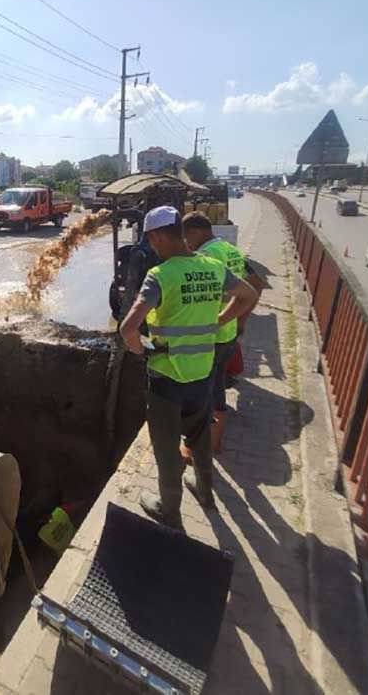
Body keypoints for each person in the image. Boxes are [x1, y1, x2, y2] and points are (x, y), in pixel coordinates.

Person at [120, 206, 257, 524]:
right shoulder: (213, 266)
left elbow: (128, 328)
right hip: (202, 372)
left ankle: (169, 511)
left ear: (155, 236)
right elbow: (248, 294)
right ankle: (205, 490)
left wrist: (140, 351)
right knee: (197, 435)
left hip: (167, 378)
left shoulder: (160, 275)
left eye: (151, 241)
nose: (152, 248)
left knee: (166, 448)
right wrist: (220, 320)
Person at [182, 212, 264, 455]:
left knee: (206, 391)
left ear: (196, 232)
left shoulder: (207, 256)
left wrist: (215, 321)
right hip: (228, 334)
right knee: (216, 386)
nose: (186, 243)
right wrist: (239, 318)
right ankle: (210, 443)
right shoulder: (230, 250)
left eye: (186, 237)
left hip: (212, 337)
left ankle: (204, 446)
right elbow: (254, 285)